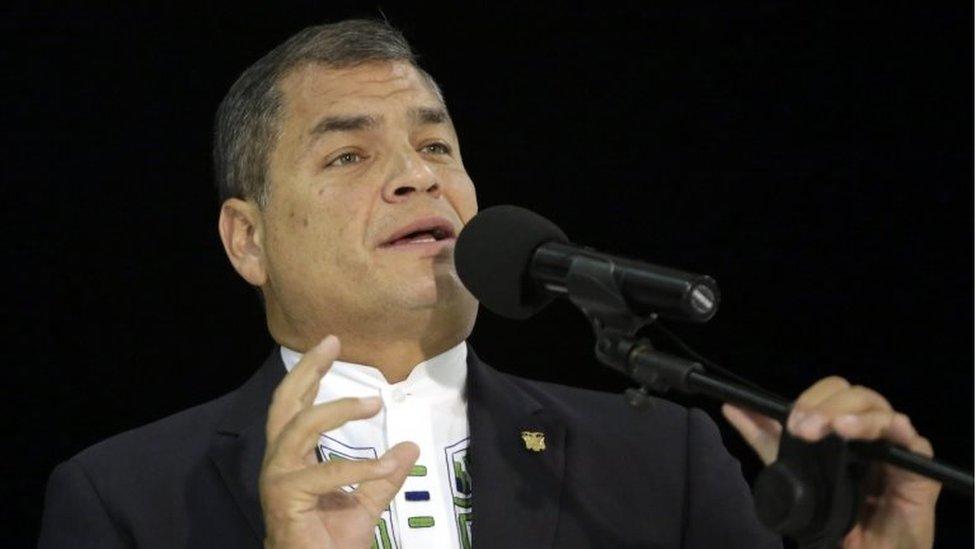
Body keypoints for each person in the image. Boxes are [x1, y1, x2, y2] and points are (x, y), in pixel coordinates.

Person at [38, 19, 940, 549]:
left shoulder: (664, 462)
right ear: (248, 239)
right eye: (350, 153)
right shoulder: (124, 498)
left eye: (436, 146)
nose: (417, 176)